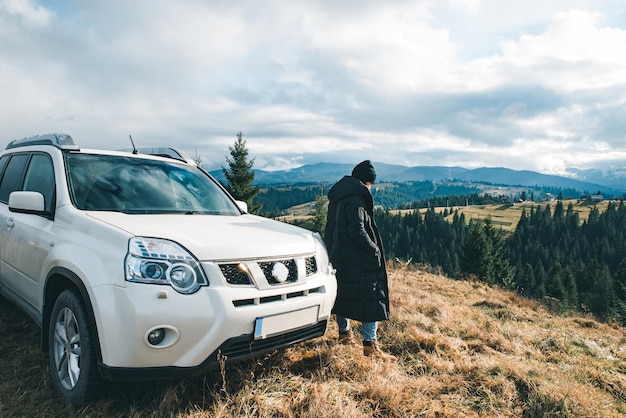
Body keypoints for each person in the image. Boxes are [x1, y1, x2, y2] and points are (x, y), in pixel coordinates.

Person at [324, 160, 394, 360]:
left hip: (339, 255)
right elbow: (358, 230)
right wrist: (374, 251)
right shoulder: (356, 198)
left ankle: (344, 335)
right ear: (367, 181)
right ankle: (370, 346)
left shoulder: (339, 195)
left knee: (342, 294)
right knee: (372, 297)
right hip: (358, 258)